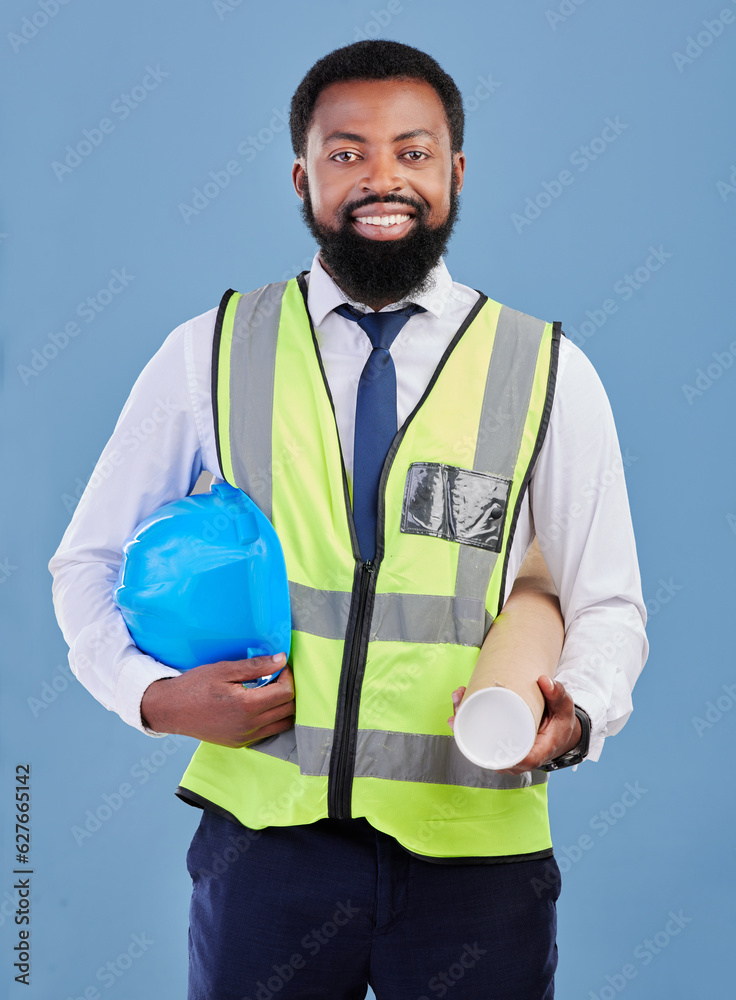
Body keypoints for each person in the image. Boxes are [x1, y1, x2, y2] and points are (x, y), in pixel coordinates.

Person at [49, 40, 647, 1000]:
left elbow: (607, 601)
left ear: (454, 172)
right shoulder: (208, 349)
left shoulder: (545, 369)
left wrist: (576, 715)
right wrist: (152, 697)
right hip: (265, 854)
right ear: (302, 175)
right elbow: (85, 562)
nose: (382, 178)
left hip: (476, 856)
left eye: (413, 153)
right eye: (346, 152)